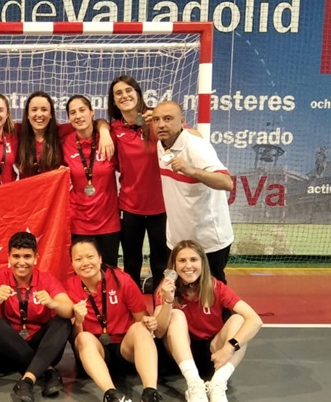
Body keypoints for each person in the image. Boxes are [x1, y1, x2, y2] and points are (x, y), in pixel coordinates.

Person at [153, 239, 263, 402]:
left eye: (193, 260)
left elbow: (255, 320)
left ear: (202, 263)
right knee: (176, 314)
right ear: (173, 266)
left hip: (214, 356)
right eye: (182, 261)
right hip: (180, 355)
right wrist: (168, 300)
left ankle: (218, 384)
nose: (188, 265)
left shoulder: (216, 287)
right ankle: (194, 385)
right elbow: (159, 332)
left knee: (239, 320)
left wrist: (228, 348)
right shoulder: (165, 288)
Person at [66, 237, 167, 402]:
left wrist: (149, 323)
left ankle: (150, 395)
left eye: (90, 256)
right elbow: (75, 339)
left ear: (100, 258)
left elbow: (141, 318)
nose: (85, 263)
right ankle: (112, 396)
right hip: (96, 354)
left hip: (124, 351)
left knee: (139, 329)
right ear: (72, 263)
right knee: (83, 337)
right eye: (78, 259)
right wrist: (78, 321)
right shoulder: (70, 287)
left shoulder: (121, 280)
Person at [0, 231, 74, 402]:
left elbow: (68, 310)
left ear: (36, 258)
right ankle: (47, 371)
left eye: (27, 256)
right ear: (9, 257)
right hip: (4, 355)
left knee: (63, 321)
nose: (21, 262)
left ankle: (27, 380)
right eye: (16, 256)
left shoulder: (46, 279)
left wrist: (53, 303)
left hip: (41, 347)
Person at [154, 101, 234, 282]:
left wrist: (192, 171)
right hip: (177, 240)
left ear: (182, 121)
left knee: (213, 295)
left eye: (168, 119)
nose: (161, 124)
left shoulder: (196, 146)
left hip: (208, 241)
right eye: (156, 120)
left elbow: (227, 182)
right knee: (180, 293)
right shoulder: (162, 143)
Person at [107, 75, 169, 293]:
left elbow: (186, 135)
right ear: (113, 101)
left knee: (161, 264)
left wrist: (161, 120)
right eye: (118, 93)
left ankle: (163, 313)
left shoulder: (157, 120)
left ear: (138, 93)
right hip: (129, 207)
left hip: (161, 208)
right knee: (131, 264)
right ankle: (131, 315)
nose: (124, 96)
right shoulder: (113, 129)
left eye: (128, 90)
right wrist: (104, 129)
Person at [63, 95, 120, 267]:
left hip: (108, 221)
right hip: (78, 222)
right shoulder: (65, 143)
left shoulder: (109, 139)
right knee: (82, 272)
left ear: (92, 112)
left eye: (82, 110)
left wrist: (104, 130)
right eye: (73, 113)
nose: (78, 116)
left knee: (109, 273)